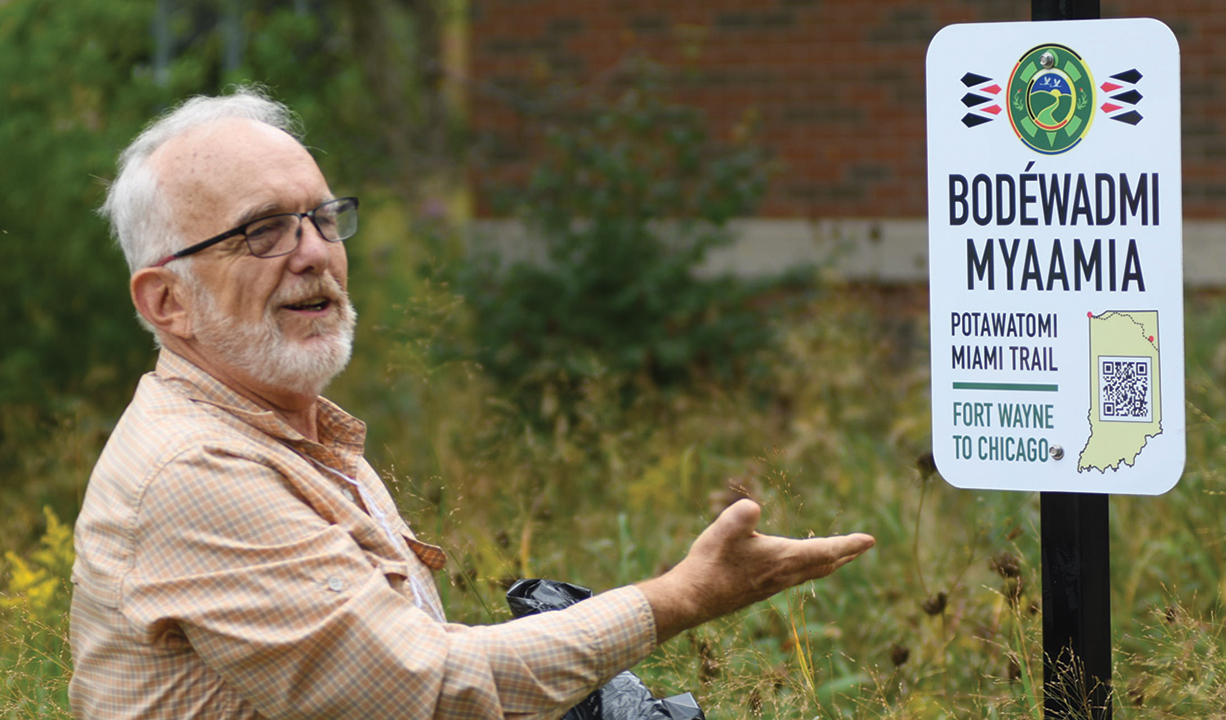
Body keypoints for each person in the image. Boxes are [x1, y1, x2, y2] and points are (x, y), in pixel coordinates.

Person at [69, 87, 876, 719]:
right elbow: (426, 696)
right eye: (263, 232)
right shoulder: (197, 469)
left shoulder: (293, 430)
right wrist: (680, 598)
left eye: (321, 217)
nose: (314, 252)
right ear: (166, 302)